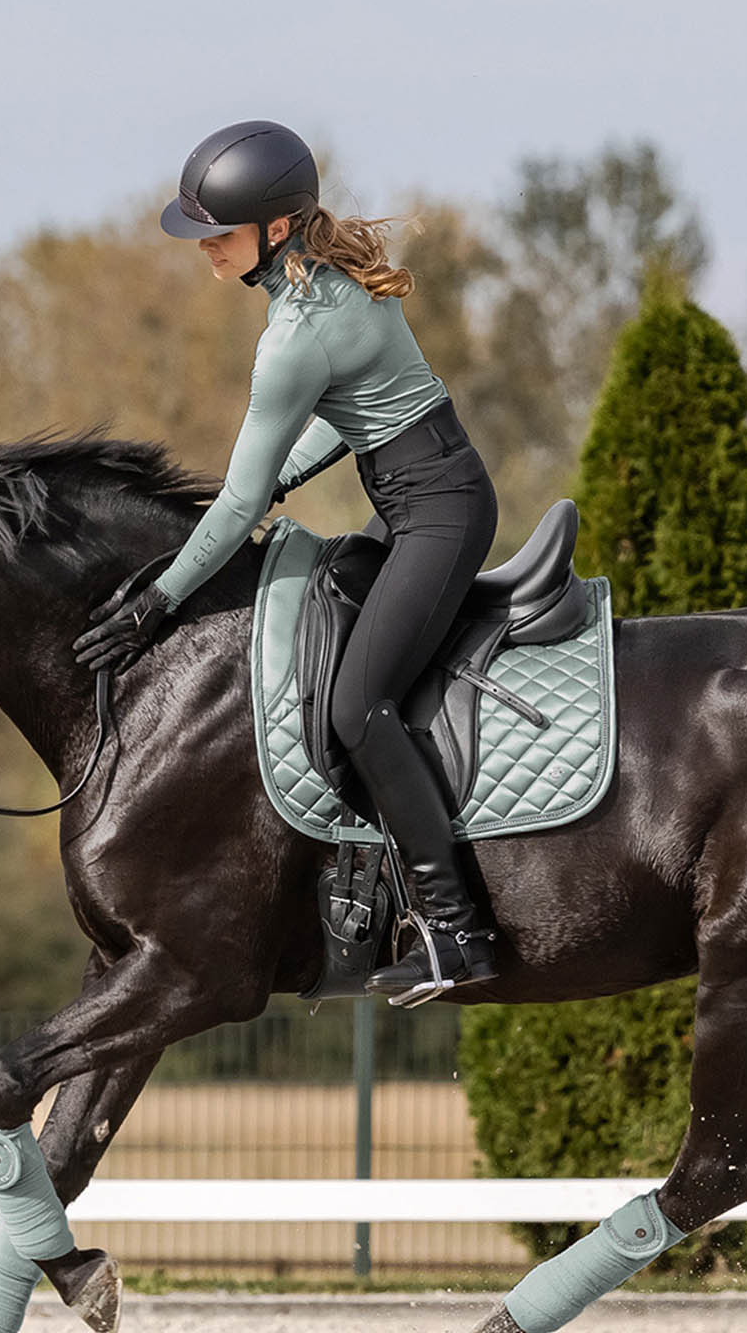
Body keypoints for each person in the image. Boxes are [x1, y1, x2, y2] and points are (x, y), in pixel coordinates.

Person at [74, 120, 501, 999]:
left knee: (357, 707)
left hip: (439, 515)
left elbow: (235, 503)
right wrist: (266, 485)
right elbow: (348, 421)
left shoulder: (295, 332)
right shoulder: (326, 284)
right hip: (423, 497)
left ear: (273, 231)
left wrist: (160, 599)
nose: (205, 253)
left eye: (217, 236)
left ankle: (458, 931)